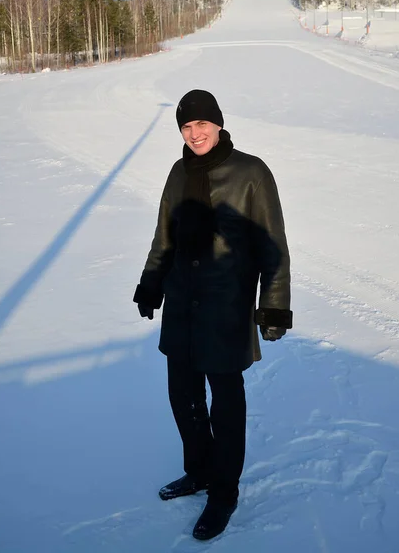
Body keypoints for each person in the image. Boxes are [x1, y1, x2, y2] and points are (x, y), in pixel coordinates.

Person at [133, 89, 292, 540]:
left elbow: (272, 244)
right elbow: (164, 237)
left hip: (225, 308)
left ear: (218, 124)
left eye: (202, 124)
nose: (195, 133)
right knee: (182, 397)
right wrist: (150, 284)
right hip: (182, 306)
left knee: (225, 405)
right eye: (186, 126)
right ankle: (199, 470)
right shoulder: (178, 172)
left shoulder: (251, 173)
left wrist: (274, 302)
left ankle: (224, 492)